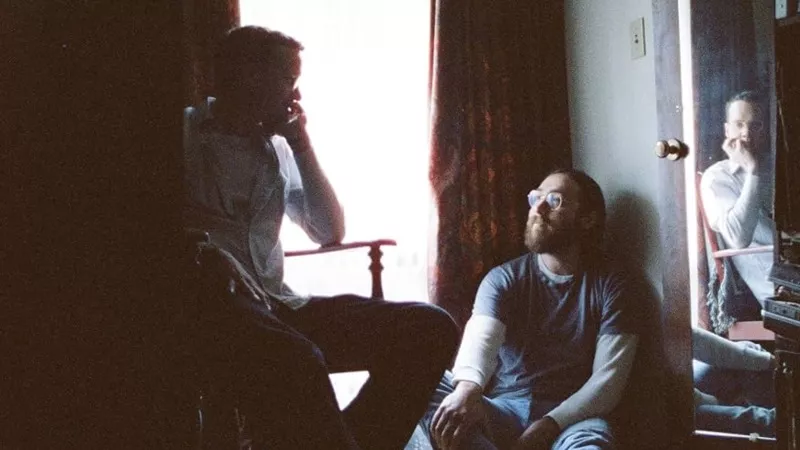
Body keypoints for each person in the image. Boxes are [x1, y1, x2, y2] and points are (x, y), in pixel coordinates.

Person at [183, 25, 459, 450]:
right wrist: (203, 252)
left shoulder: (277, 148)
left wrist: (301, 144)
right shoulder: (182, 135)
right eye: (288, 79)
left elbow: (329, 230)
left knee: (431, 328)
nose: (295, 94)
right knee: (298, 359)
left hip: (280, 304)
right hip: (217, 310)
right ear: (250, 76)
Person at [418, 169, 641, 450]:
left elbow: (607, 383)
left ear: (587, 219)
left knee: (592, 445)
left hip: (572, 419)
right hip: (504, 411)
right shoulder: (504, 279)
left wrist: (549, 425)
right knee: (423, 383)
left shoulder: (614, 285)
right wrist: (466, 391)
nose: (539, 207)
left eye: (555, 200)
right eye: (536, 197)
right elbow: (481, 343)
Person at [700, 90, 775, 305]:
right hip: (779, 289)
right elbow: (738, 238)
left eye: (755, 125)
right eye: (739, 124)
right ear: (727, 130)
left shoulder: (780, 168)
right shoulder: (717, 177)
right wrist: (753, 171)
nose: (746, 133)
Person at [692, 327, 776, 436]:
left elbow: (696, 339)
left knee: (750, 350)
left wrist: (769, 361)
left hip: (688, 387)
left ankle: (783, 402)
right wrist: (717, 405)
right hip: (679, 412)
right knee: (753, 419)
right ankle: (785, 422)